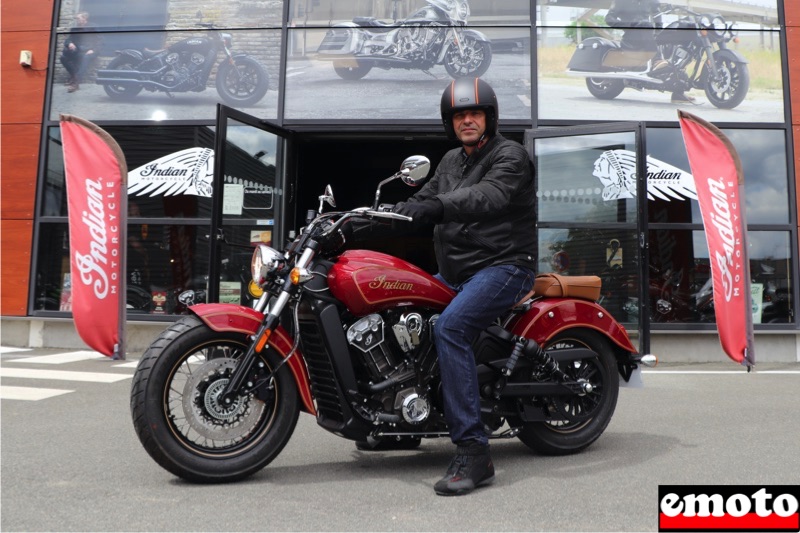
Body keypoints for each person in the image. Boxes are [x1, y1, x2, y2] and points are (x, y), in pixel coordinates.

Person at [391, 77, 537, 496]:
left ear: (489, 117)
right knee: (402, 309)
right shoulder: (452, 160)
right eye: (459, 115)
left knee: (450, 327)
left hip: (504, 266)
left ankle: (475, 451)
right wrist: (380, 214)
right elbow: (427, 199)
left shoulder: (511, 157)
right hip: (457, 271)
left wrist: (431, 206)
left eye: (474, 113)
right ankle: (399, 416)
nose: (467, 120)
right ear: (449, 122)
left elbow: (486, 197)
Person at [605, 0, 698, 104]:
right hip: (631, 39)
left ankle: (678, 92)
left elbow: (657, 14)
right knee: (646, 24)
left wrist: (659, 31)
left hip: (647, 36)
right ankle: (656, 60)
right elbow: (609, 18)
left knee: (673, 33)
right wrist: (630, 25)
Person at [60, 12, 98, 93]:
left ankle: (76, 82)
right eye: (76, 19)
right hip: (78, 50)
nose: (77, 20)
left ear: (85, 19)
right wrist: (70, 43)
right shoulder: (75, 28)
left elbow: (99, 41)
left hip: (89, 50)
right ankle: (74, 76)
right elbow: (68, 39)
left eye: (79, 18)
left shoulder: (92, 27)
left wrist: (93, 49)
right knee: (63, 57)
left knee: (85, 57)